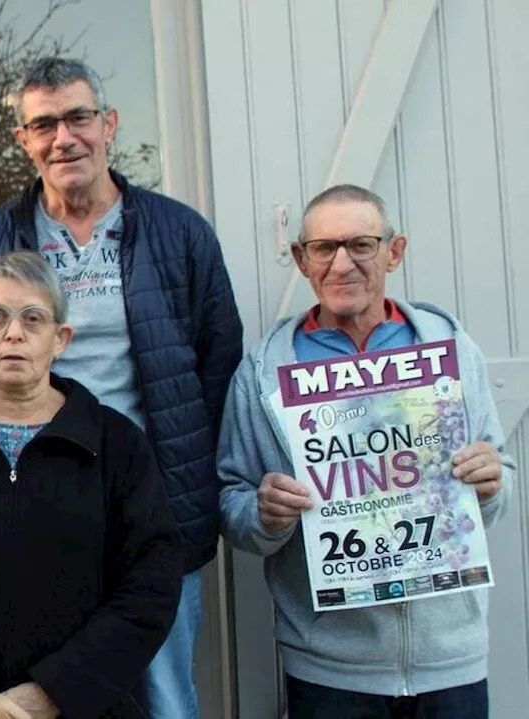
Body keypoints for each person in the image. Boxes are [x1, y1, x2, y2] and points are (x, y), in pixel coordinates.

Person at [0, 57, 241, 717]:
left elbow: (216, 361)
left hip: (154, 506)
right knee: (47, 686)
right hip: (37, 506)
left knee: (165, 693)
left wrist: (187, 475)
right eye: (43, 124)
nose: (64, 137)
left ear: (108, 124)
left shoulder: (178, 233)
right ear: (24, 140)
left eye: (78, 117)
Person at [217, 185, 514, 718]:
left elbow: (496, 481)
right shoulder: (263, 374)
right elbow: (233, 504)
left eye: (361, 244)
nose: (342, 264)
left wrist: (492, 481)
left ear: (393, 252)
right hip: (328, 665)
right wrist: (264, 514)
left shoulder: (449, 352)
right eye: (325, 248)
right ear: (302, 259)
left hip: (453, 660)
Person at [0, 251, 183, 719]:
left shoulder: (117, 445)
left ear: (60, 338)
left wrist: (56, 691)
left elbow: (151, 584)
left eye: (33, 318)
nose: (14, 333)